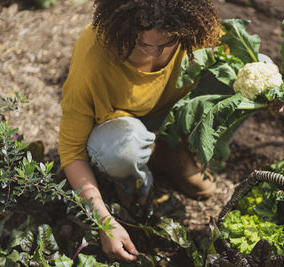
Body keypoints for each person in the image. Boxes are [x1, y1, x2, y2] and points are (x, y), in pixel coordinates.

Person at [58, 0, 222, 262]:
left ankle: (172, 151)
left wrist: (267, 96)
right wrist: (104, 222)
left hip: (172, 114)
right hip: (121, 127)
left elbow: (241, 62)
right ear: (127, 28)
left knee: (246, 69)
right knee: (120, 151)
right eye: (145, 44)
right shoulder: (95, 55)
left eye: (167, 43)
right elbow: (71, 152)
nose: (157, 54)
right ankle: (132, 183)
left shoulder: (192, 31)